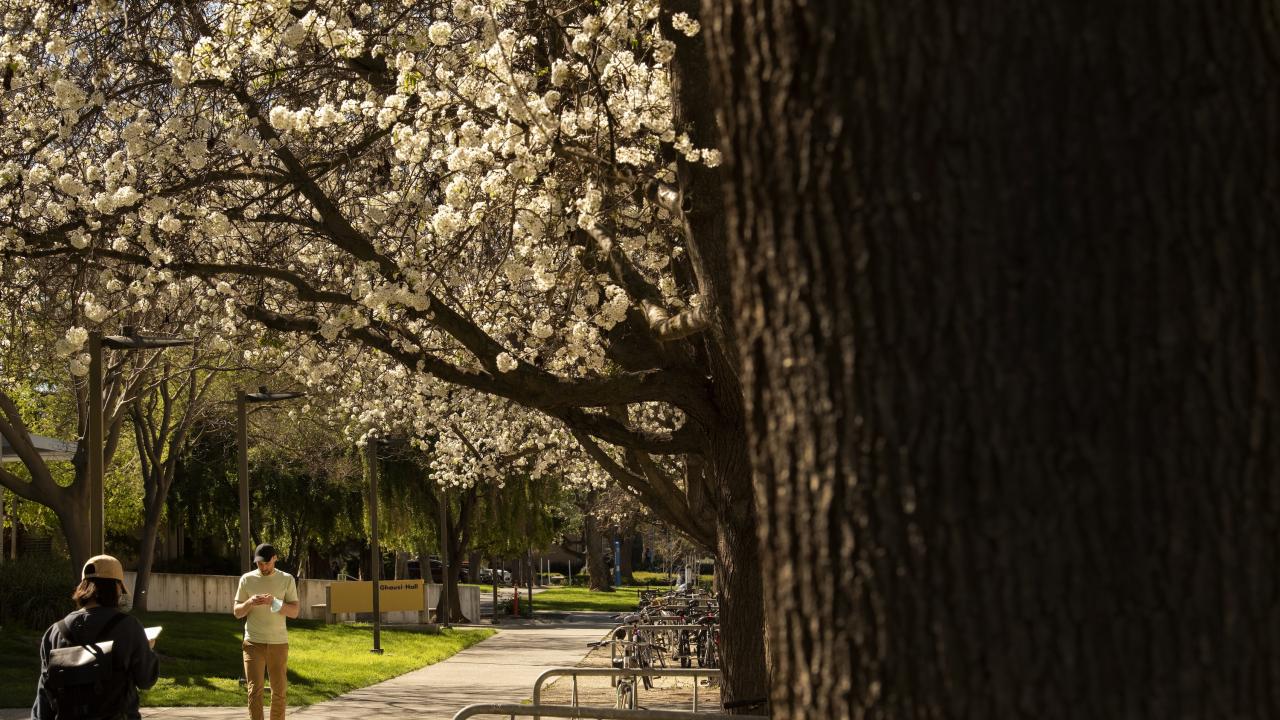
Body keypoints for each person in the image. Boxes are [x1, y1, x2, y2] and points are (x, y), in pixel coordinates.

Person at [32, 554, 160, 720]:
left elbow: (44, 694)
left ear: (83, 587)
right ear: (117, 587)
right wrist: (147, 651)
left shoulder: (54, 632)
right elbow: (146, 680)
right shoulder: (129, 627)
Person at [233, 543, 299, 720]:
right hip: (253, 642)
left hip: (278, 643)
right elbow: (237, 612)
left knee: (279, 692)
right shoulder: (247, 579)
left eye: (267, 563)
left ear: (275, 558)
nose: (263, 567)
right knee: (254, 691)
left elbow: (294, 612)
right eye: (259, 564)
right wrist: (249, 603)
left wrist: (274, 602)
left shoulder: (287, 579)